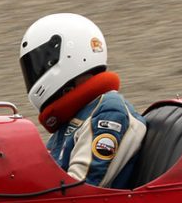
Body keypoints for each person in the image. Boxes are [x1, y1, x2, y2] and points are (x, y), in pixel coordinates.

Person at [18, 13, 146, 187]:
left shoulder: (108, 112)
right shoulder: (75, 116)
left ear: (70, 56)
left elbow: (79, 191)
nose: (34, 72)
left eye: (39, 63)